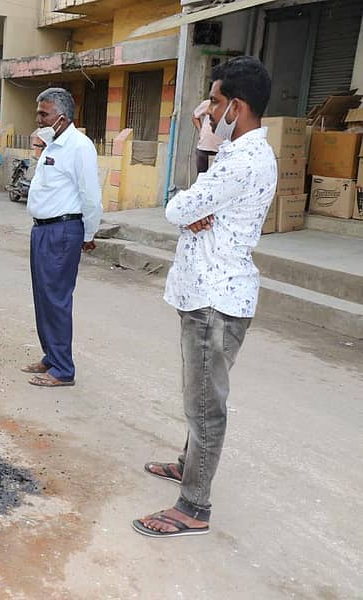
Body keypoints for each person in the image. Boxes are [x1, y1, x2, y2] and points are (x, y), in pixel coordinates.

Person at [133, 56, 276, 538]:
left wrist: (189, 196)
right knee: (199, 394)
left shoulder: (245, 160)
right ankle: (188, 464)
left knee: (205, 404)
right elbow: (191, 206)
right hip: (209, 290)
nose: (207, 109)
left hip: (215, 298)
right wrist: (207, 155)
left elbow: (178, 205)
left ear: (236, 106)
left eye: (214, 101)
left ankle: (194, 506)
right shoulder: (236, 155)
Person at [22, 88, 102, 388]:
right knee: (42, 297)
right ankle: (51, 356)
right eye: (39, 112)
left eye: (44, 114)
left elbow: (90, 196)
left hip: (62, 229)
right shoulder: (53, 144)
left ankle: (63, 369)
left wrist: (89, 232)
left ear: (62, 117)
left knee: (56, 298)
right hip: (43, 228)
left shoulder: (79, 147)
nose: (39, 118)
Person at [192, 98, 222, 175]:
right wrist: (200, 130)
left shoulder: (231, 106)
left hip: (221, 150)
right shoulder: (208, 103)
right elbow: (195, 116)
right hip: (204, 147)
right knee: (201, 177)